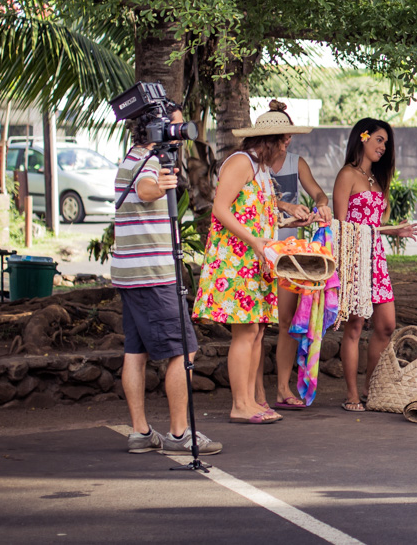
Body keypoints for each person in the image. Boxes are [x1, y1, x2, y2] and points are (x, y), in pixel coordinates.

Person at [191, 100, 321, 425]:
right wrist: (253, 241)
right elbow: (220, 208)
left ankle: (250, 400)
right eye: (284, 139)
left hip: (257, 261)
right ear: (274, 140)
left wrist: (290, 215)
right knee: (245, 333)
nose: (287, 146)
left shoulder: (260, 169)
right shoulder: (240, 162)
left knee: (256, 333)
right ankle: (240, 404)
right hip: (237, 261)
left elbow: (258, 213)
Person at [113, 107, 220, 456]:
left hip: (131, 274)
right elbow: (146, 189)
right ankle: (178, 433)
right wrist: (159, 187)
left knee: (136, 352)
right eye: (174, 123)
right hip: (153, 275)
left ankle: (141, 433)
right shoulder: (148, 163)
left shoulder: (131, 158)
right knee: (183, 350)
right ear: (155, 128)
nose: (180, 128)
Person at [331, 118, 417, 412]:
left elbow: (377, 224)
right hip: (354, 259)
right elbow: (342, 227)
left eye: (386, 143)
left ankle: (373, 388)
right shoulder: (347, 175)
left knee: (386, 326)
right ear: (363, 137)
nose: (383, 147)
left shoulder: (379, 180)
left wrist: (393, 229)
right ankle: (352, 394)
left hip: (377, 259)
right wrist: (391, 230)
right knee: (355, 326)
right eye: (379, 140)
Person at [270, 141, 333, 410]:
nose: (286, 143)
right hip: (255, 246)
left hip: (289, 253)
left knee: (286, 322)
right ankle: (251, 394)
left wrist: (320, 206)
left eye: (288, 139)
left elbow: (319, 194)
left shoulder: (296, 162)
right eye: (281, 138)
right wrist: (285, 205)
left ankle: (283, 389)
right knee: (253, 325)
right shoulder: (249, 162)